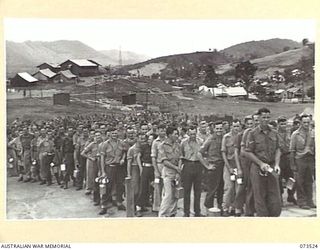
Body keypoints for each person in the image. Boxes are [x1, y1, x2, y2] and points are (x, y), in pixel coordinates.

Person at [245, 107, 282, 217]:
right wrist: (260, 164)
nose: (266, 120)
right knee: (259, 195)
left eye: (268, 117)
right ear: (259, 118)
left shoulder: (274, 133)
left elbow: (278, 149)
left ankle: (274, 218)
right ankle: (263, 219)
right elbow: (248, 152)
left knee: (275, 195)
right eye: (263, 117)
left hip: (271, 166)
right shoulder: (252, 133)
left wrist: (277, 164)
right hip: (257, 167)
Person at [198, 121, 224, 214]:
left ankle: (220, 209)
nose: (219, 130)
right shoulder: (210, 139)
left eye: (221, 128)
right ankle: (208, 210)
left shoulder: (224, 138)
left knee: (221, 188)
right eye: (217, 128)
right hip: (214, 167)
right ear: (214, 129)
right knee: (212, 190)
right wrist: (207, 166)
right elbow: (199, 153)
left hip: (223, 166)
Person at [290, 114, 316, 209]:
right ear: (300, 122)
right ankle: (302, 201)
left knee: (309, 181)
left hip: (310, 159)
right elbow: (292, 150)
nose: (306, 124)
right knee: (300, 182)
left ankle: (310, 200)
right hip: (299, 159)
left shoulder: (313, 133)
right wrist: (292, 164)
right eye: (304, 122)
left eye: (308, 122)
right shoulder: (295, 134)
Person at [100, 128, 126, 215]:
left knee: (120, 185)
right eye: (112, 133)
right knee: (107, 187)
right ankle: (104, 205)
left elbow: (124, 152)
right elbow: (102, 158)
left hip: (119, 167)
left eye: (115, 133)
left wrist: (122, 159)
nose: (114, 135)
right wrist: (103, 171)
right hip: (109, 167)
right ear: (109, 134)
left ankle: (119, 202)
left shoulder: (121, 142)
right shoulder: (105, 144)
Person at [158, 126, 182, 217]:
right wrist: (176, 168)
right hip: (168, 172)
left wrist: (178, 171)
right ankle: (162, 214)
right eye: (175, 134)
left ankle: (172, 213)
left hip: (176, 172)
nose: (177, 136)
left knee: (176, 194)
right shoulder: (162, 146)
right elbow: (164, 161)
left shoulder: (178, 144)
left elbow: (180, 158)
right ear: (169, 135)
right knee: (168, 195)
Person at [180, 125, 204, 217]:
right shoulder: (183, 143)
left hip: (198, 165)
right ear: (188, 133)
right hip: (187, 165)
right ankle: (186, 212)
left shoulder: (201, 142)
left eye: (194, 134)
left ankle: (197, 211)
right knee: (187, 190)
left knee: (198, 190)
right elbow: (181, 155)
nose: (193, 136)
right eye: (191, 134)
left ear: (197, 132)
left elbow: (203, 154)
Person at [234, 115, 255, 216]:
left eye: (252, 124)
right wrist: (239, 168)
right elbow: (236, 151)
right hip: (243, 164)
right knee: (241, 186)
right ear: (245, 124)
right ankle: (238, 207)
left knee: (252, 187)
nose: (250, 126)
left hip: (253, 164)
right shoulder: (240, 135)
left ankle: (249, 208)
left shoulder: (255, 134)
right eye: (248, 124)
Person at [221, 119, 241, 216]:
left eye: (238, 126)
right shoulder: (226, 137)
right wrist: (229, 168)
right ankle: (225, 208)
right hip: (229, 165)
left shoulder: (242, 136)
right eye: (234, 126)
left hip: (239, 166)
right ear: (231, 127)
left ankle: (235, 208)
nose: (236, 128)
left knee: (238, 188)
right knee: (229, 188)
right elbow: (223, 153)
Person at [277, 116, 296, 205]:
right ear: (278, 124)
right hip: (280, 158)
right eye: (281, 124)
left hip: (288, 157)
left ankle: (290, 195)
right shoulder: (275, 134)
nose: (283, 126)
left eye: (285, 124)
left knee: (291, 178)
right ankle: (279, 197)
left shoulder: (290, 132)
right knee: (279, 179)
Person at [136, 134, 155, 217]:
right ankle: (138, 208)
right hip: (145, 168)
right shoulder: (144, 146)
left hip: (153, 169)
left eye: (151, 139)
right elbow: (138, 157)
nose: (149, 141)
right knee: (143, 188)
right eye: (149, 139)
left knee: (153, 187)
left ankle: (153, 205)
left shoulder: (156, 147)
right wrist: (141, 168)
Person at [151, 123, 167, 213]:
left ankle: (165, 206)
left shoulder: (168, 140)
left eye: (164, 130)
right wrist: (156, 170)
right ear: (157, 131)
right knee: (158, 187)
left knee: (167, 186)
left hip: (167, 166)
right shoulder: (155, 142)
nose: (163, 132)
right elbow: (153, 157)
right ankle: (157, 206)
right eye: (161, 130)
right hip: (159, 165)